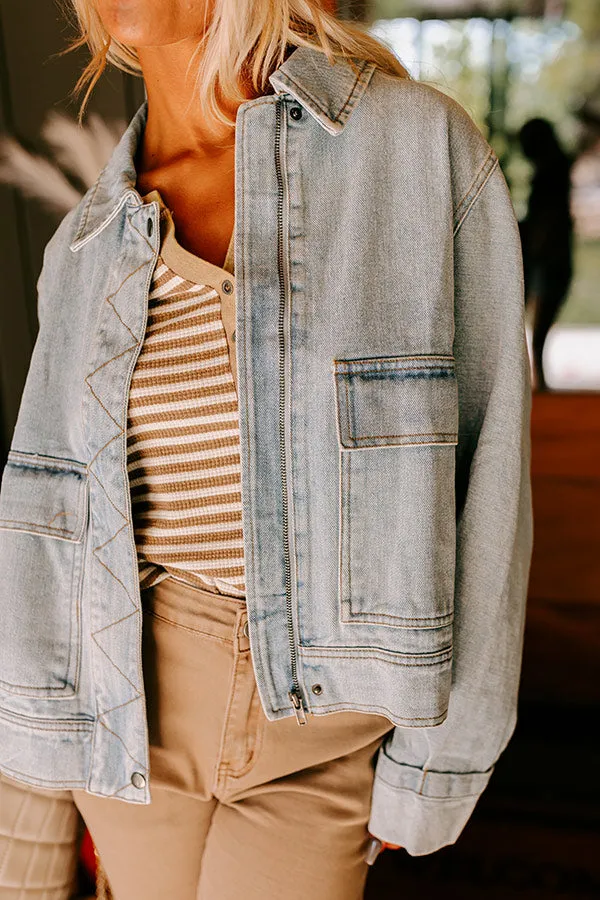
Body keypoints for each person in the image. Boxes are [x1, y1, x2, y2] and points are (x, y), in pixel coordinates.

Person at [0, 1, 534, 898]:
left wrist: (438, 765)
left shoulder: (412, 150)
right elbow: (45, 544)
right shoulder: (86, 245)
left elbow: (490, 482)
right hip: (132, 719)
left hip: (323, 734)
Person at [518, 116, 574, 391]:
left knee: (537, 329)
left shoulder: (551, 172)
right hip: (548, 255)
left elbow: (547, 221)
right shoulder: (553, 170)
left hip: (548, 256)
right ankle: (538, 381)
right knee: (536, 329)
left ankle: (537, 382)